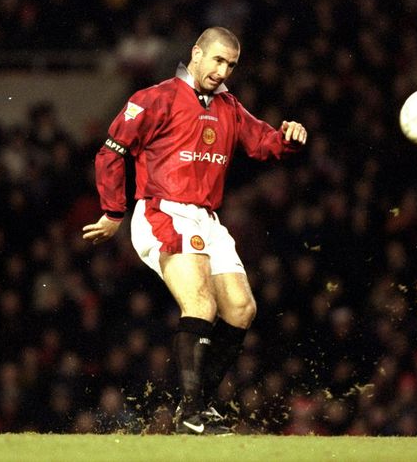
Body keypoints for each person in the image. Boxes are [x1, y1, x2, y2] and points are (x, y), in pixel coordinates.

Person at [82, 26, 307, 435]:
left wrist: (288, 139)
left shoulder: (229, 107)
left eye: (231, 65)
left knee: (241, 309)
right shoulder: (154, 98)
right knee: (200, 304)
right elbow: (110, 152)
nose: (223, 71)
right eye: (218, 60)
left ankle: (199, 404)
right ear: (196, 53)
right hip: (163, 211)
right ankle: (191, 414)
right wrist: (113, 211)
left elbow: (262, 143)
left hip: (206, 218)